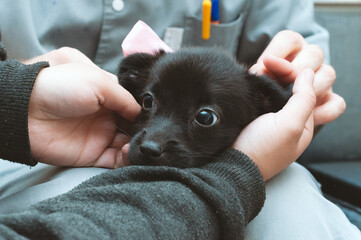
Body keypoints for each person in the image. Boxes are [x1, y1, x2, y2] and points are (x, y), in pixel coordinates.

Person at [0, 0, 359, 239]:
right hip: (24, 152)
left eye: (203, 117)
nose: (155, 140)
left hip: (231, 157)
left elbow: (298, 93)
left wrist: (304, 88)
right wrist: (19, 92)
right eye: (149, 102)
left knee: (294, 201)